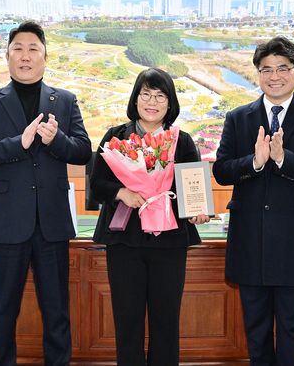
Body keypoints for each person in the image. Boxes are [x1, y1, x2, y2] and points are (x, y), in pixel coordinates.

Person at [0, 21, 91, 366]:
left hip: (51, 223)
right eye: (17, 48)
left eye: (33, 48)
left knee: (56, 311)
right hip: (7, 224)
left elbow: (83, 151)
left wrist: (56, 140)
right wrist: (17, 144)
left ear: (45, 58)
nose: (25, 55)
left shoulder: (63, 100)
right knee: (3, 311)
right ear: (7, 57)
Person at [212, 36, 294, 366]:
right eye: (266, 69)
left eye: (282, 68)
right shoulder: (238, 118)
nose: (274, 76)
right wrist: (255, 162)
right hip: (250, 237)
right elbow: (222, 171)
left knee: (292, 326)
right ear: (257, 73)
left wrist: (283, 158)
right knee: (256, 325)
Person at [89, 68, 210, 366]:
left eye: (160, 96)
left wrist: (196, 211)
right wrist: (122, 193)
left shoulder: (181, 141)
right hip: (124, 243)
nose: (152, 102)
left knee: (166, 320)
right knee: (127, 319)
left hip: (169, 244)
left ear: (170, 103)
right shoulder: (116, 136)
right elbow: (96, 184)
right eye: (146, 94)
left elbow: (190, 189)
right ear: (135, 98)